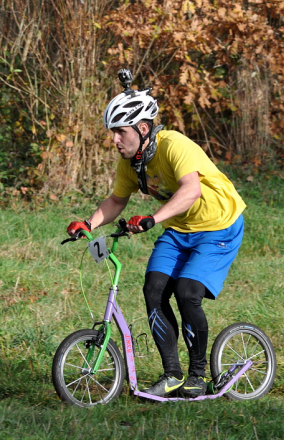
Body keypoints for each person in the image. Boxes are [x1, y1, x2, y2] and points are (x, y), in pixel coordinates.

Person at [66, 70, 246, 397]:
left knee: (188, 293)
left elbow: (190, 190)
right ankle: (173, 375)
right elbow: (117, 200)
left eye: (120, 132)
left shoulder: (174, 145)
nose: (115, 140)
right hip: (179, 230)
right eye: (113, 134)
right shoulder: (131, 162)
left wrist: (152, 218)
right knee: (154, 289)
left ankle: (196, 375)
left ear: (143, 128)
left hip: (219, 224)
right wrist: (89, 224)